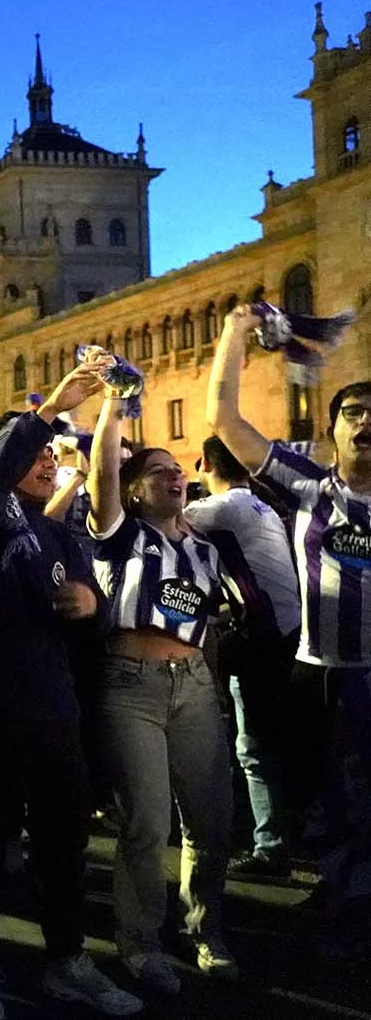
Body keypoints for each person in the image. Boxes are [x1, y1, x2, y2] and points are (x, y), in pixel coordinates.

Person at [0, 358, 141, 1020]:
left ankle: (66, 959)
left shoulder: (61, 532)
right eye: (37, 452)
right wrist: (52, 406)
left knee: (63, 844)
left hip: (53, 711)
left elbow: (96, 622)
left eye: (55, 453)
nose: (50, 459)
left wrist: (93, 606)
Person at [207, 305, 371, 859]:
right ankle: (338, 912)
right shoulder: (311, 487)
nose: (365, 422)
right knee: (319, 803)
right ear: (333, 428)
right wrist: (233, 332)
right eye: (353, 412)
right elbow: (225, 420)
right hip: (319, 674)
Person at [87, 386, 236, 994]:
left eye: (178, 471)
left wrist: (214, 687)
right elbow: (101, 472)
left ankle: (204, 929)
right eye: (158, 472)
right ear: (133, 489)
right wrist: (113, 404)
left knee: (212, 819)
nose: (174, 478)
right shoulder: (119, 533)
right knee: (147, 824)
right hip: (131, 688)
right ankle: (141, 941)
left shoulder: (203, 549)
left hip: (194, 687)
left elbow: (209, 626)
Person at [185, 435, 301, 881]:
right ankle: (280, 838)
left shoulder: (223, 507)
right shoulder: (259, 505)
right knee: (270, 744)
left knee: (255, 749)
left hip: (264, 640)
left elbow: (160, 519)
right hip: (281, 635)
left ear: (205, 465)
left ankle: (271, 850)